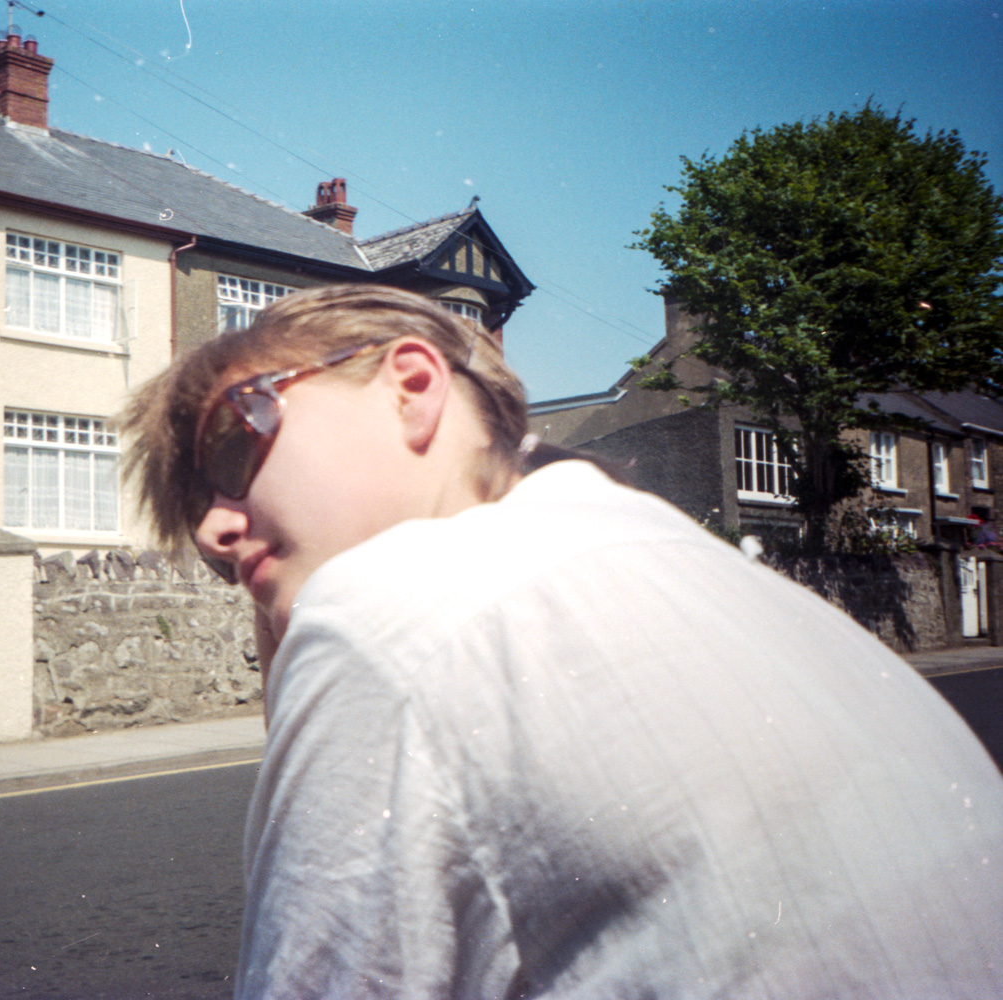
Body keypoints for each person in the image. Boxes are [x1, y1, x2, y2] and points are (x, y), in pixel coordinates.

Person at [121, 284, 1003, 998]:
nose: (210, 532)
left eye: (235, 446)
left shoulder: (387, 610)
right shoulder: (705, 571)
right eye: (194, 505)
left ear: (411, 387)